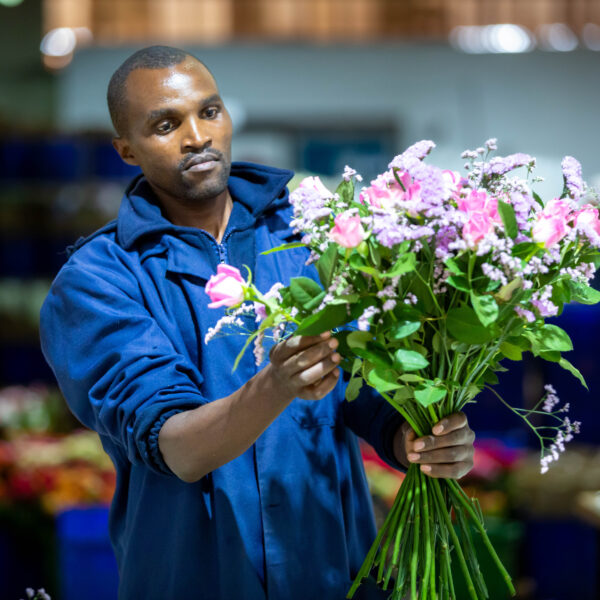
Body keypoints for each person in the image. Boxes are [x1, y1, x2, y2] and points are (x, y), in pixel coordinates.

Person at [40, 46, 475, 599]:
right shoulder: (98, 281)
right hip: (193, 582)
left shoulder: (314, 236)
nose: (196, 137)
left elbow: (368, 389)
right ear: (126, 149)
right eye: (165, 124)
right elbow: (178, 446)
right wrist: (275, 385)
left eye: (210, 112)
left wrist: (417, 437)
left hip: (334, 575)